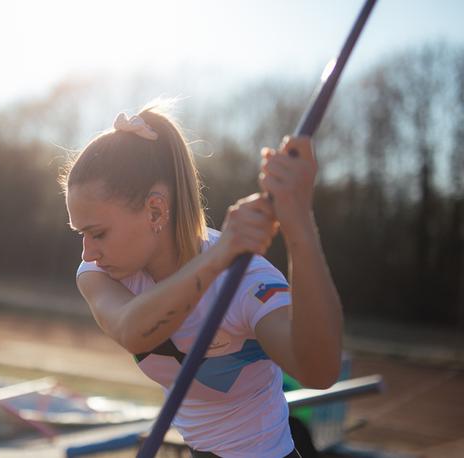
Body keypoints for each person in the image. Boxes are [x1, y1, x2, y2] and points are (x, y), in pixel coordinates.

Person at [59, 102, 343, 458]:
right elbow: (132, 330)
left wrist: (298, 223)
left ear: (156, 210)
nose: (88, 253)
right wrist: (218, 257)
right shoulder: (101, 275)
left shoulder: (245, 279)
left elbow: (318, 371)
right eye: (80, 234)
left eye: (97, 233)